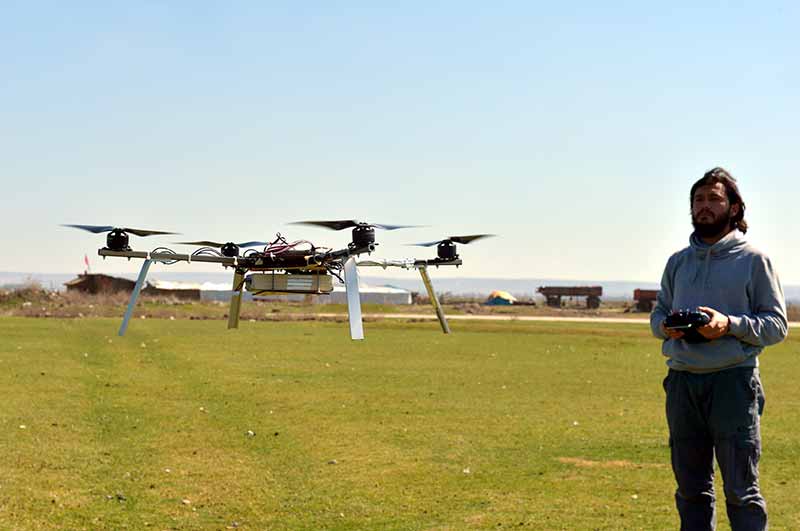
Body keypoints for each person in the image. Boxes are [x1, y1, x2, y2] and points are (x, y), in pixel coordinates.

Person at [651, 167, 788, 531]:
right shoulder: (677, 262)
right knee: (691, 490)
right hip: (682, 384)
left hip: (733, 383)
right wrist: (667, 327)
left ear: (735, 208)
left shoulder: (754, 260)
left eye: (714, 199)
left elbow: (776, 326)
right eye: (698, 200)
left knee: (742, 491)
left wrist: (728, 325)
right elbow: (657, 315)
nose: (704, 206)